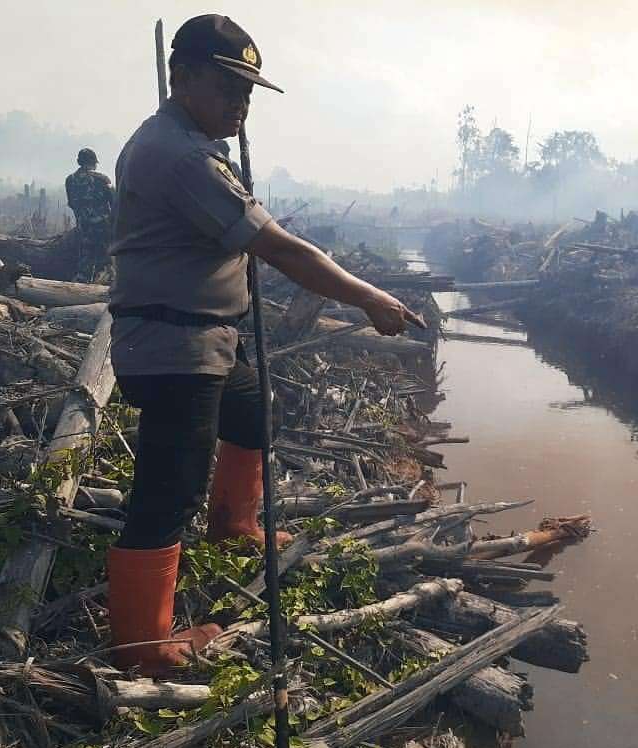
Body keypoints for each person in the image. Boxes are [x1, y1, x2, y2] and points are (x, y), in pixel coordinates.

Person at [107, 14, 421, 676]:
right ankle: (143, 647)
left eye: (248, 92)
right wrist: (368, 296)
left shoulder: (191, 141)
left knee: (253, 414)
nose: (240, 104)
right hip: (174, 347)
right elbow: (279, 248)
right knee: (169, 489)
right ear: (181, 76)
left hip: (207, 338)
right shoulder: (184, 157)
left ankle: (235, 528)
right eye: (228, 87)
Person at [64, 148, 114, 281]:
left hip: (83, 228)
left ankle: (78, 291)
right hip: (102, 229)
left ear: (79, 162)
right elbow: (115, 202)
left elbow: (72, 204)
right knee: (105, 266)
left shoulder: (70, 180)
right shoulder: (102, 179)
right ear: (93, 163)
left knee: (84, 264)